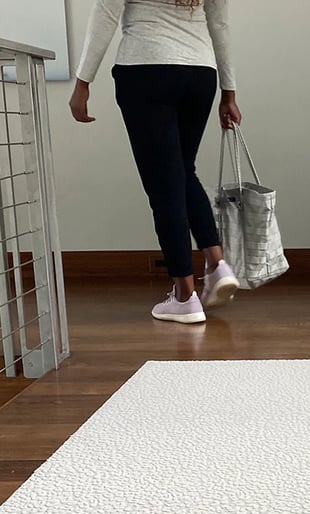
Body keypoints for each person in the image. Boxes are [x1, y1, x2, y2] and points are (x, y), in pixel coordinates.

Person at [69, 0, 241, 324]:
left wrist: (82, 82)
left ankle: (184, 296)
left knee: (165, 186)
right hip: (200, 74)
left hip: (146, 67)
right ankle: (217, 265)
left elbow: (106, 12)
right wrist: (228, 92)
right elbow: (219, 23)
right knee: (182, 171)